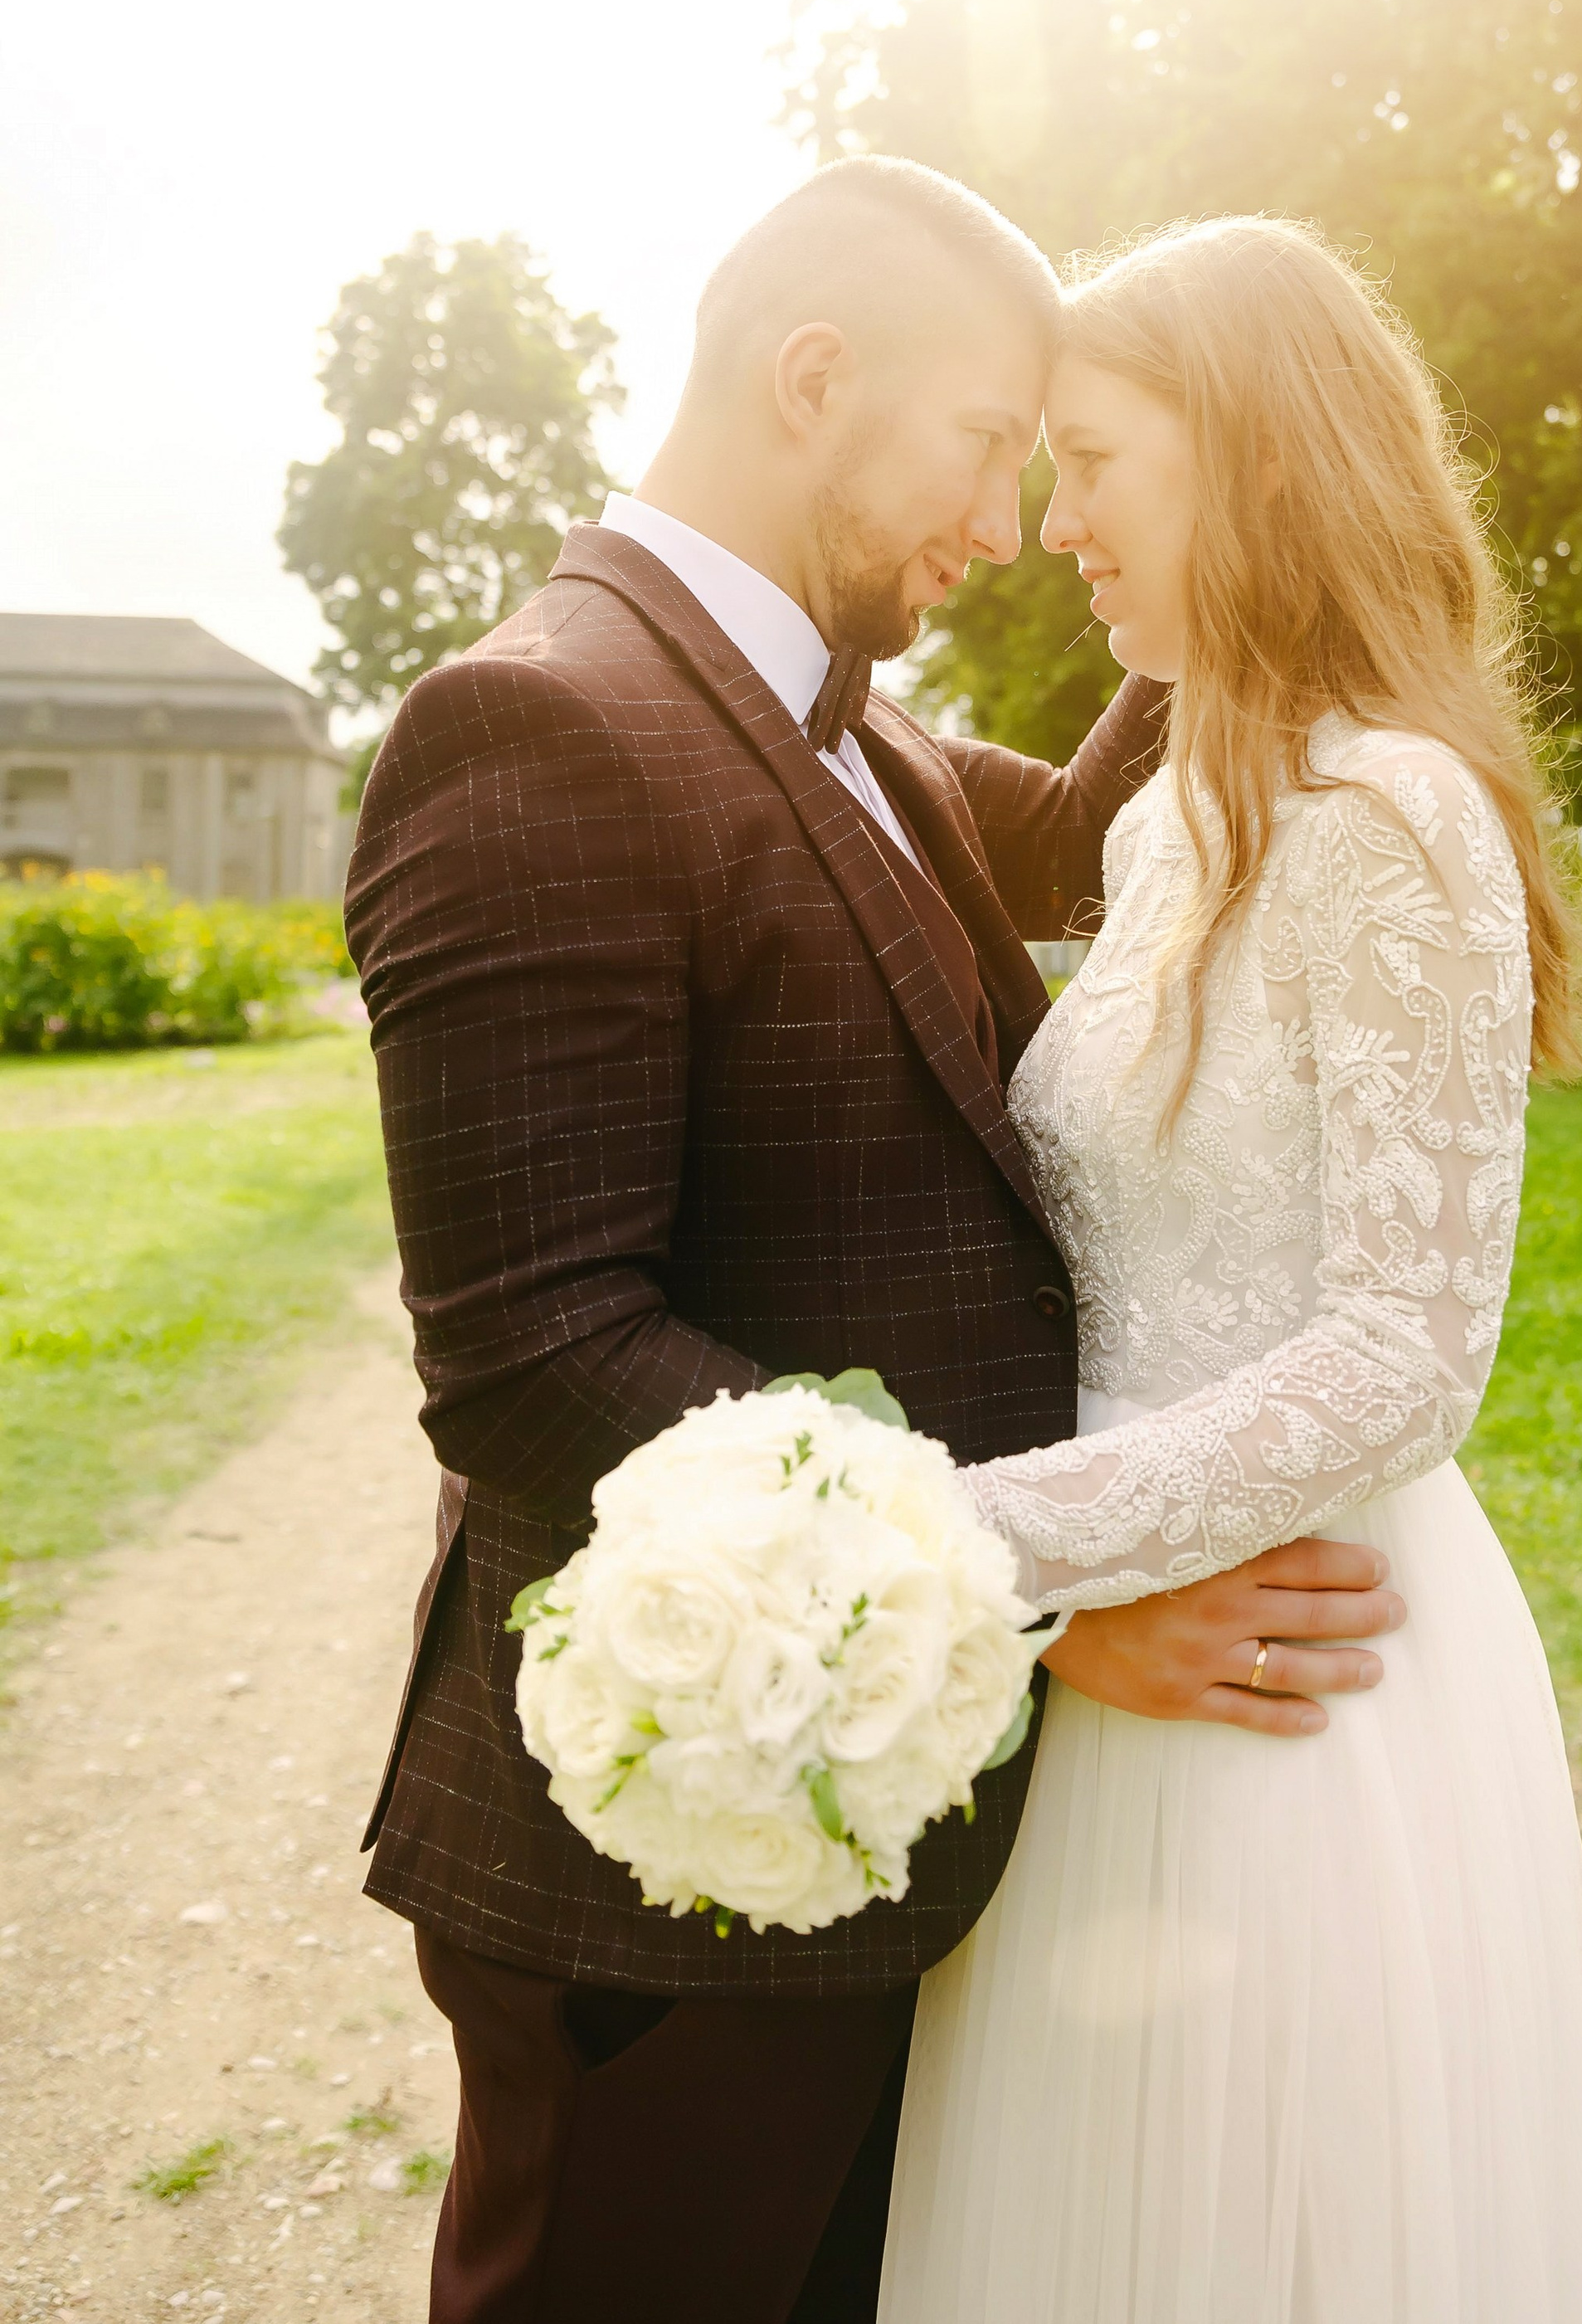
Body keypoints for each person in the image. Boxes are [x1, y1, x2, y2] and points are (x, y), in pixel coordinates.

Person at [344, 158, 1404, 2324]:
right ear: (812, 378)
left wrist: (1234, 453)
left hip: (886, 1855)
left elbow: (1102, 821)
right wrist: (1018, 1605)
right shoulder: (535, 724)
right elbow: (540, 1355)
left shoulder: (863, 732)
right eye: (996, 443)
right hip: (669, 1889)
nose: (1015, 520)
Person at [882, 215, 1582, 2324]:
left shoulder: (1390, 817)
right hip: (1110, 1654)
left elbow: (1402, 1351)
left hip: (1291, 1681)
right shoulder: (1166, 818)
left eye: (1096, 460)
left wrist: (969, 1541)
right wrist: (1040, 1606)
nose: (1052, 523)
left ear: (1252, 452)